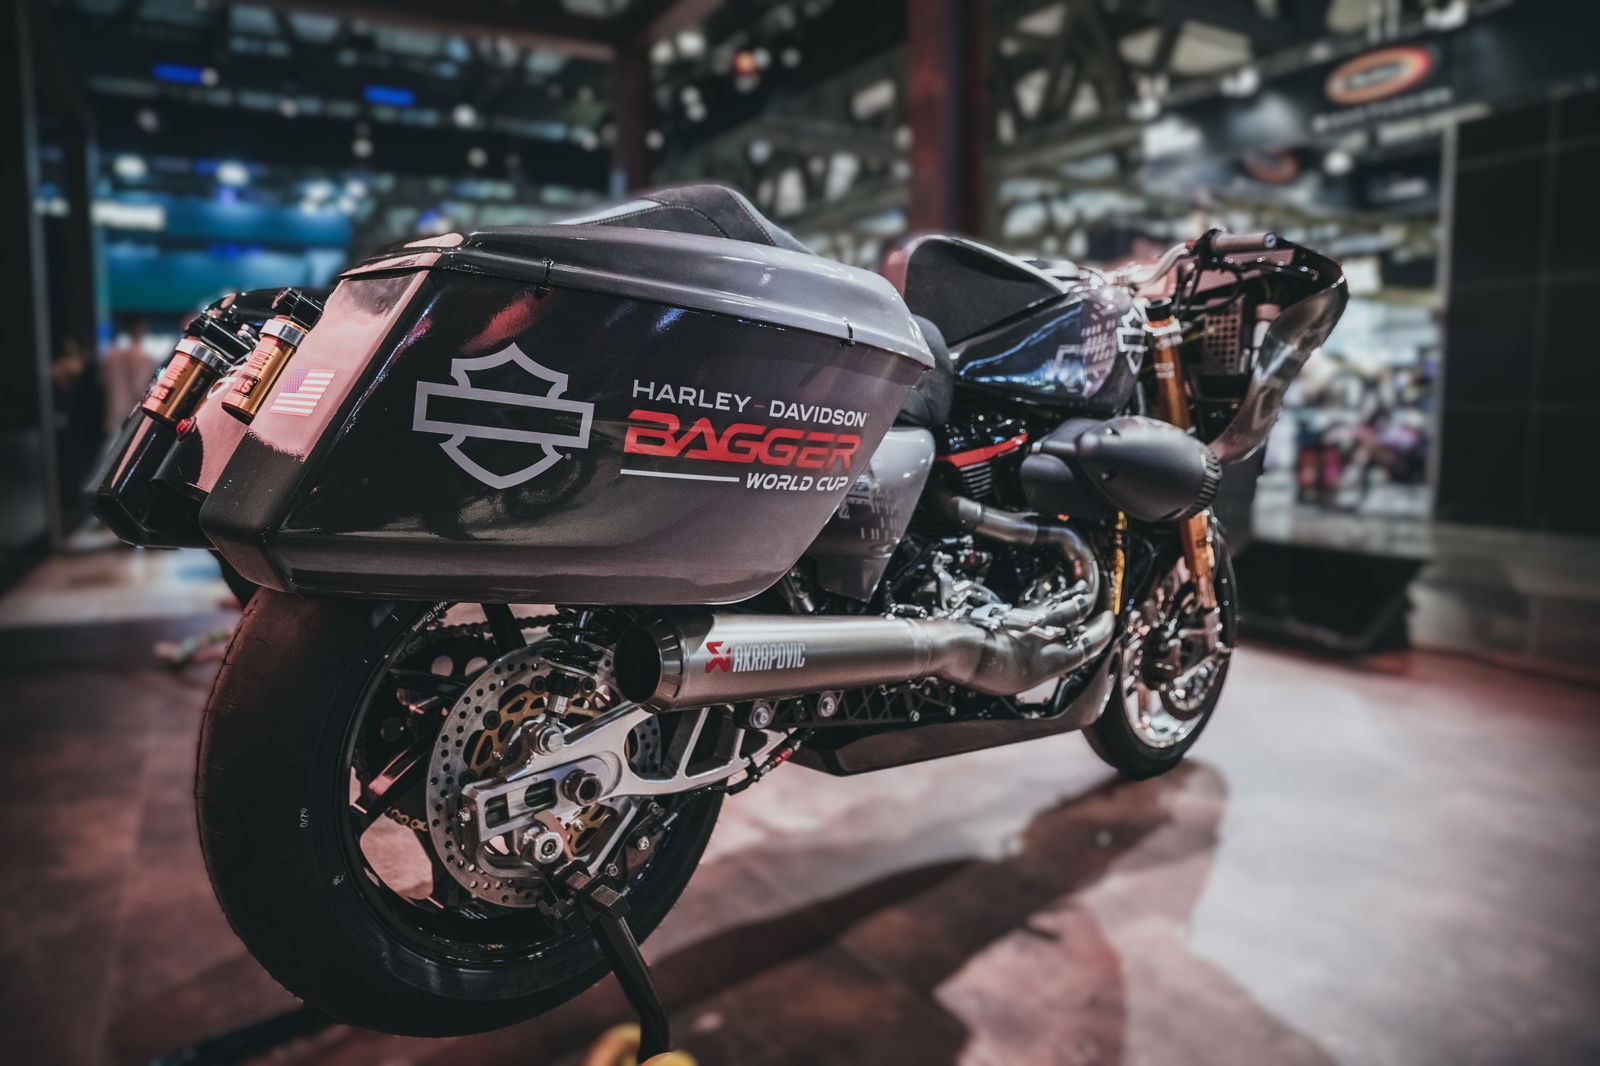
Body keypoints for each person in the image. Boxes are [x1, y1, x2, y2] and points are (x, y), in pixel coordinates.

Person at [101, 317, 155, 434]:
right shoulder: (145, 359)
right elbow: (139, 389)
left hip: (113, 414)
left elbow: (102, 382)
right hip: (133, 417)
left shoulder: (110, 356)